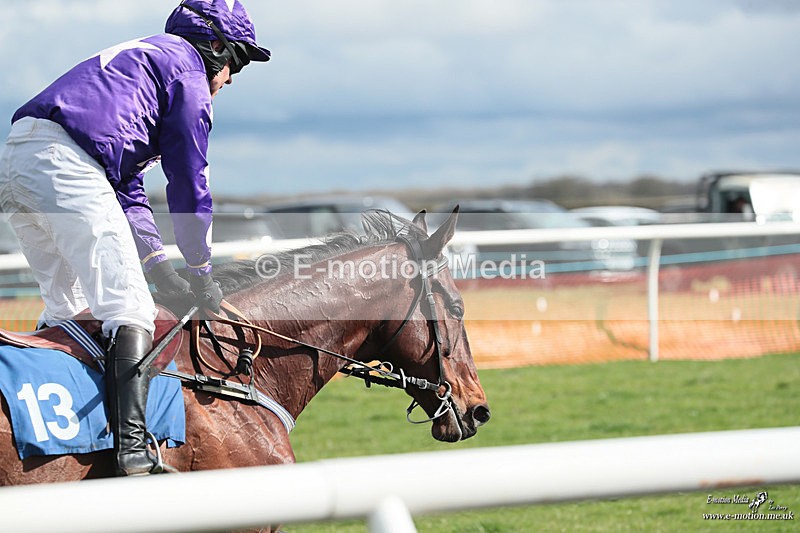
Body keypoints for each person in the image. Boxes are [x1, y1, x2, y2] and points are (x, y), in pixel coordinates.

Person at [0, 0, 270, 476]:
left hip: (22, 157)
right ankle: (133, 453)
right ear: (214, 46)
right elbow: (189, 181)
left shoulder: (146, 71)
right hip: (64, 165)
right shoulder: (188, 74)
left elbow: (127, 191)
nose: (229, 79)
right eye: (236, 64)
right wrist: (201, 270)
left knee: (71, 309)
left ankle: (64, 447)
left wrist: (159, 266)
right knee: (129, 309)